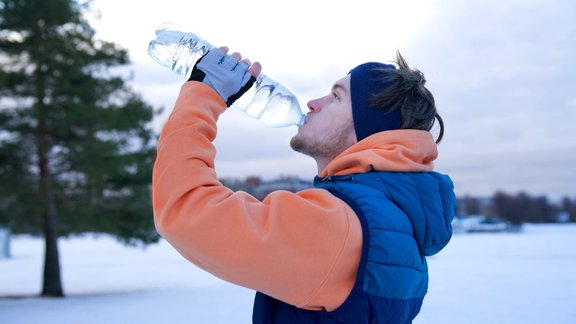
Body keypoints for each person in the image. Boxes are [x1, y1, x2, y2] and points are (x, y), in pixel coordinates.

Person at [152, 46, 456, 323]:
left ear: (368, 130)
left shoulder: (342, 225)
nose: (313, 103)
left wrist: (204, 94)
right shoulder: (394, 223)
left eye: (336, 97)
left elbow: (185, 210)